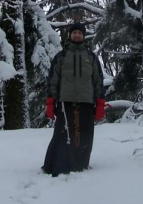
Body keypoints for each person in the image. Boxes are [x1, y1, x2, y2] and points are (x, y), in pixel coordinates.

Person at [42, 22, 106, 177]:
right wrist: (50, 102)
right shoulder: (61, 57)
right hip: (65, 102)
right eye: (74, 33)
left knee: (84, 135)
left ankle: (80, 165)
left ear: (83, 36)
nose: (77, 35)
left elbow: (98, 81)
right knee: (62, 135)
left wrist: (100, 104)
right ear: (70, 35)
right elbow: (53, 81)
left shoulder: (91, 57)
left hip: (86, 102)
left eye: (80, 33)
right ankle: (55, 166)